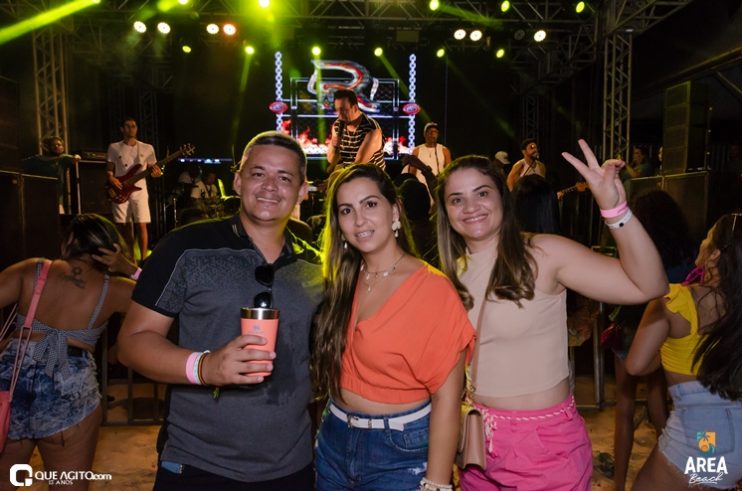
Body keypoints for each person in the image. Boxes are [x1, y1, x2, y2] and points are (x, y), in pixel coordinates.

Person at [436, 140, 668, 490]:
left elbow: (649, 285)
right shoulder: (451, 273)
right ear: (446, 211)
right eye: (457, 199)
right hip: (475, 446)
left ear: (503, 197)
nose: (470, 207)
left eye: (482, 193)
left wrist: (615, 209)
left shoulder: (543, 253)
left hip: (543, 447)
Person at [117, 131, 323, 490]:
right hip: (197, 464)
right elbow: (132, 342)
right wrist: (206, 366)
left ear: (303, 190)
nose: (270, 186)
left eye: (285, 177)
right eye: (258, 173)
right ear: (238, 181)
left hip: (292, 466)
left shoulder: (317, 267)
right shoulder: (186, 247)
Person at [312, 163, 474, 490]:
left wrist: (437, 483)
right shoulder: (342, 279)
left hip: (399, 452)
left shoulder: (431, 289)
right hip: (333, 440)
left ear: (395, 210)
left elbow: (447, 399)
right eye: (347, 210)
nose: (359, 220)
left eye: (370, 204)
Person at [0, 214, 135, 491]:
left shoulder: (33, 269)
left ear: (69, 241)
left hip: (12, 380)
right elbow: (165, 301)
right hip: (68, 380)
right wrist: (129, 268)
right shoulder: (116, 289)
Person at [626, 212, 742, 490]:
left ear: (714, 255)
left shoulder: (674, 300)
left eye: (707, 237)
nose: (701, 242)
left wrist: (668, 350)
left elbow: (636, 365)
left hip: (704, 439)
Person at [608, 190, 695, 491]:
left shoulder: (634, 250)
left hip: (632, 329)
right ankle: (673, 470)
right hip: (666, 333)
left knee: (624, 408)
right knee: (659, 406)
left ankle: (618, 485)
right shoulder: (686, 255)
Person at [106, 117, 163, 261]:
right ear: (122, 129)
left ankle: (143, 260)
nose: (131, 128)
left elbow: (153, 168)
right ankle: (130, 258)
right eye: (128, 126)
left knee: (141, 224)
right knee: (124, 225)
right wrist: (112, 178)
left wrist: (157, 173)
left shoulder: (147, 148)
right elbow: (109, 170)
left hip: (140, 190)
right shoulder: (114, 147)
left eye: (134, 126)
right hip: (120, 188)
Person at [326, 89, 385, 173]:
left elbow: (359, 165)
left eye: (343, 110)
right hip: (347, 175)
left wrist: (338, 172)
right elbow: (331, 159)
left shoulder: (371, 130)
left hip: (370, 177)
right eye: (337, 110)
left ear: (355, 108)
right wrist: (334, 146)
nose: (340, 115)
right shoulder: (337, 125)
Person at [22, 136, 80, 214]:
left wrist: (76, 156)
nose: (56, 146)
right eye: (54, 145)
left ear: (63, 147)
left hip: (55, 194)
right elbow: (20, 164)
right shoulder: (36, 159)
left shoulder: (62, 159)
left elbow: (75, 158)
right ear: (48, 147)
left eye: (59, 144)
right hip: (38, 194)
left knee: (58, 214)